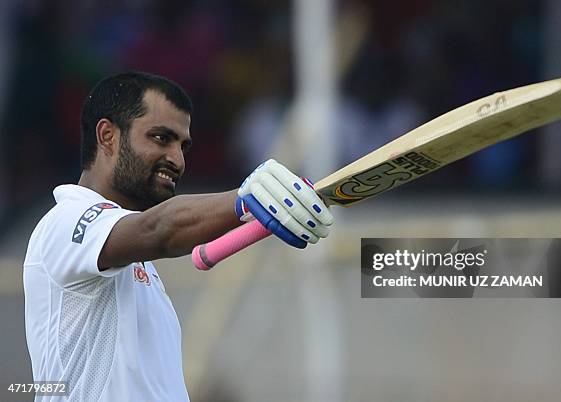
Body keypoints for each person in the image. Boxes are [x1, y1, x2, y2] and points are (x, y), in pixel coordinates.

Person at [23, 71, 334, 401]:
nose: (177, 159)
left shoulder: (131, 258)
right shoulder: (66, 219)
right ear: (108, 136)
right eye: (161, 138)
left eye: (183, 145)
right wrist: (243, 201)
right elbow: (159, 229)